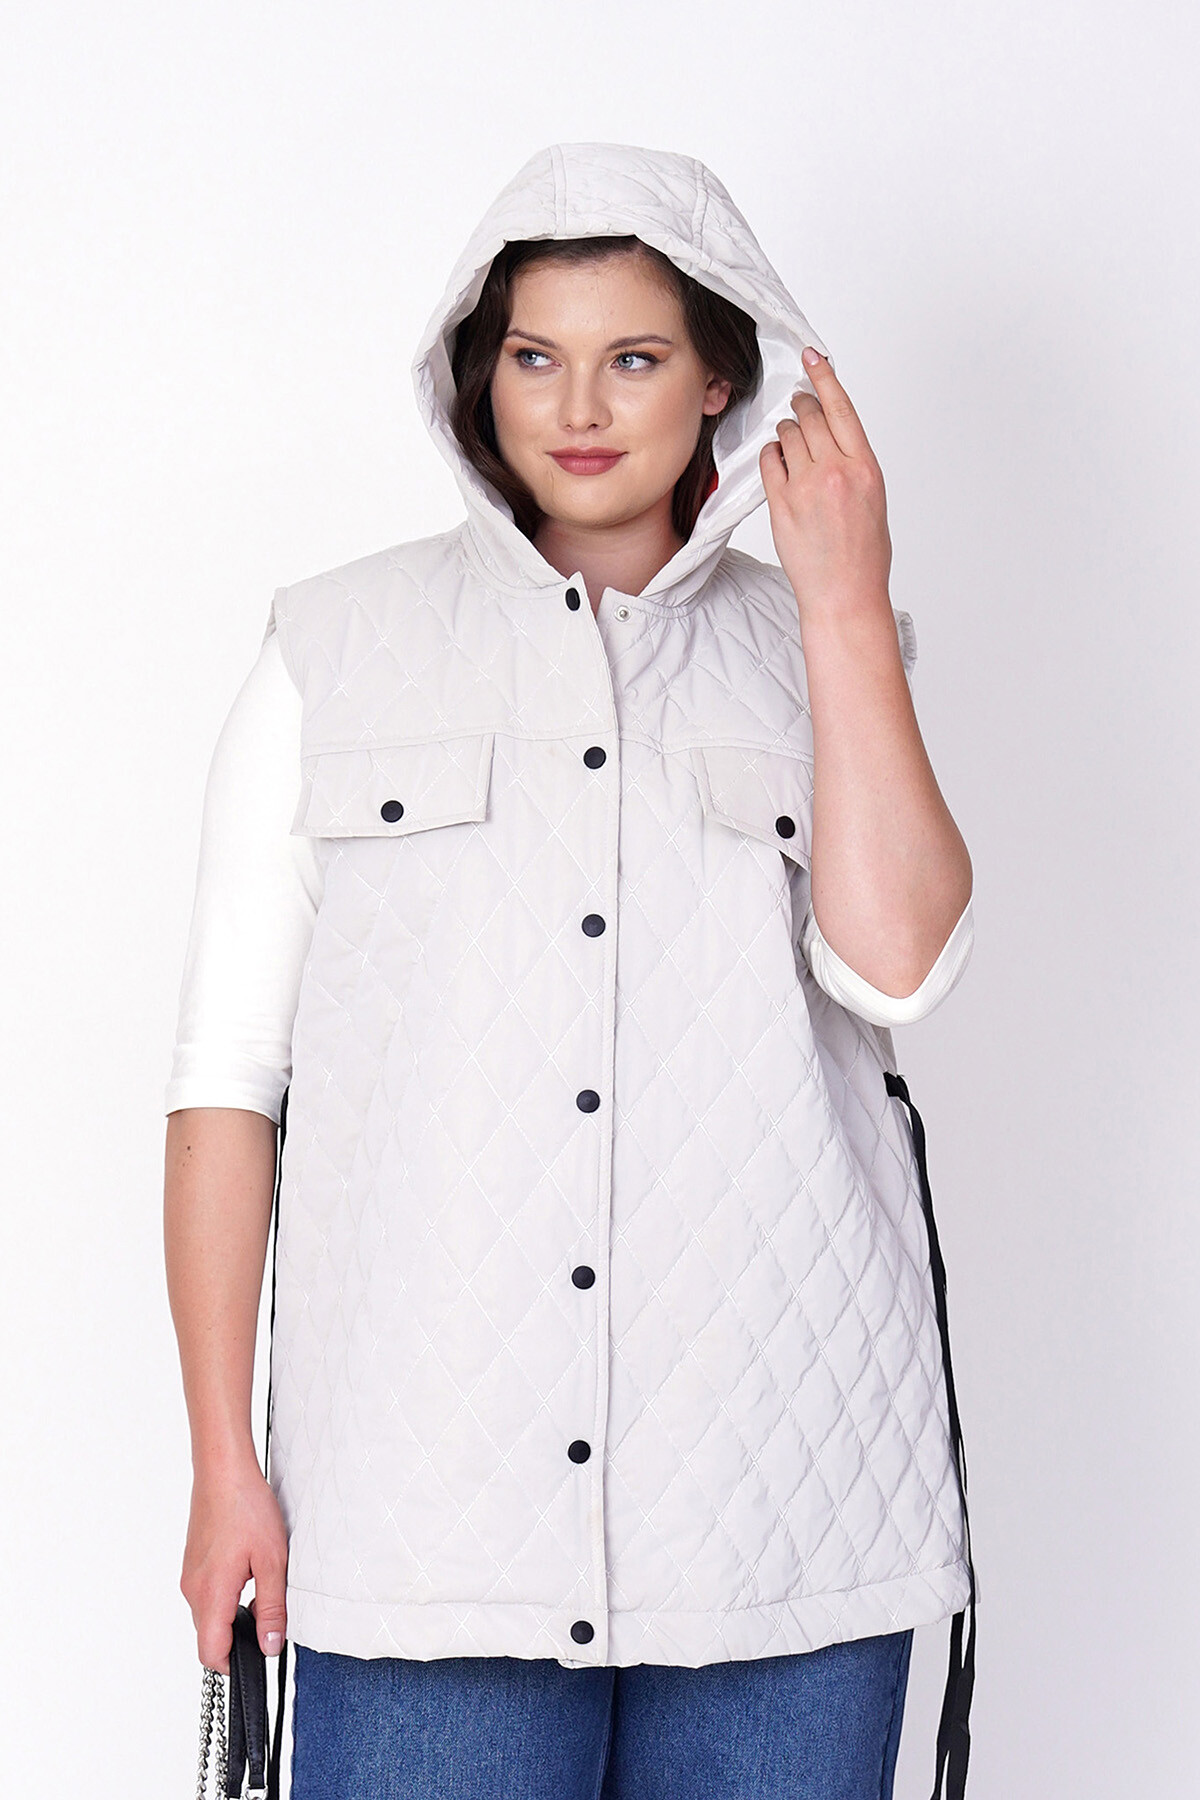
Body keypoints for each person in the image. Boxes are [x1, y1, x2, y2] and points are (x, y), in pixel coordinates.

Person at [164, 140, 978, 1800]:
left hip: (782, 1519)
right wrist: (221, 1464)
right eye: (536, 356)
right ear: (480, 378)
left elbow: (899, 973)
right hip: (423, 1529)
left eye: (636, 358)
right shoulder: (332, 649)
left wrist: (843, 607)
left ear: (722, 380)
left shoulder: (825, 644)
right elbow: (227, 1086)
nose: (580, 407)